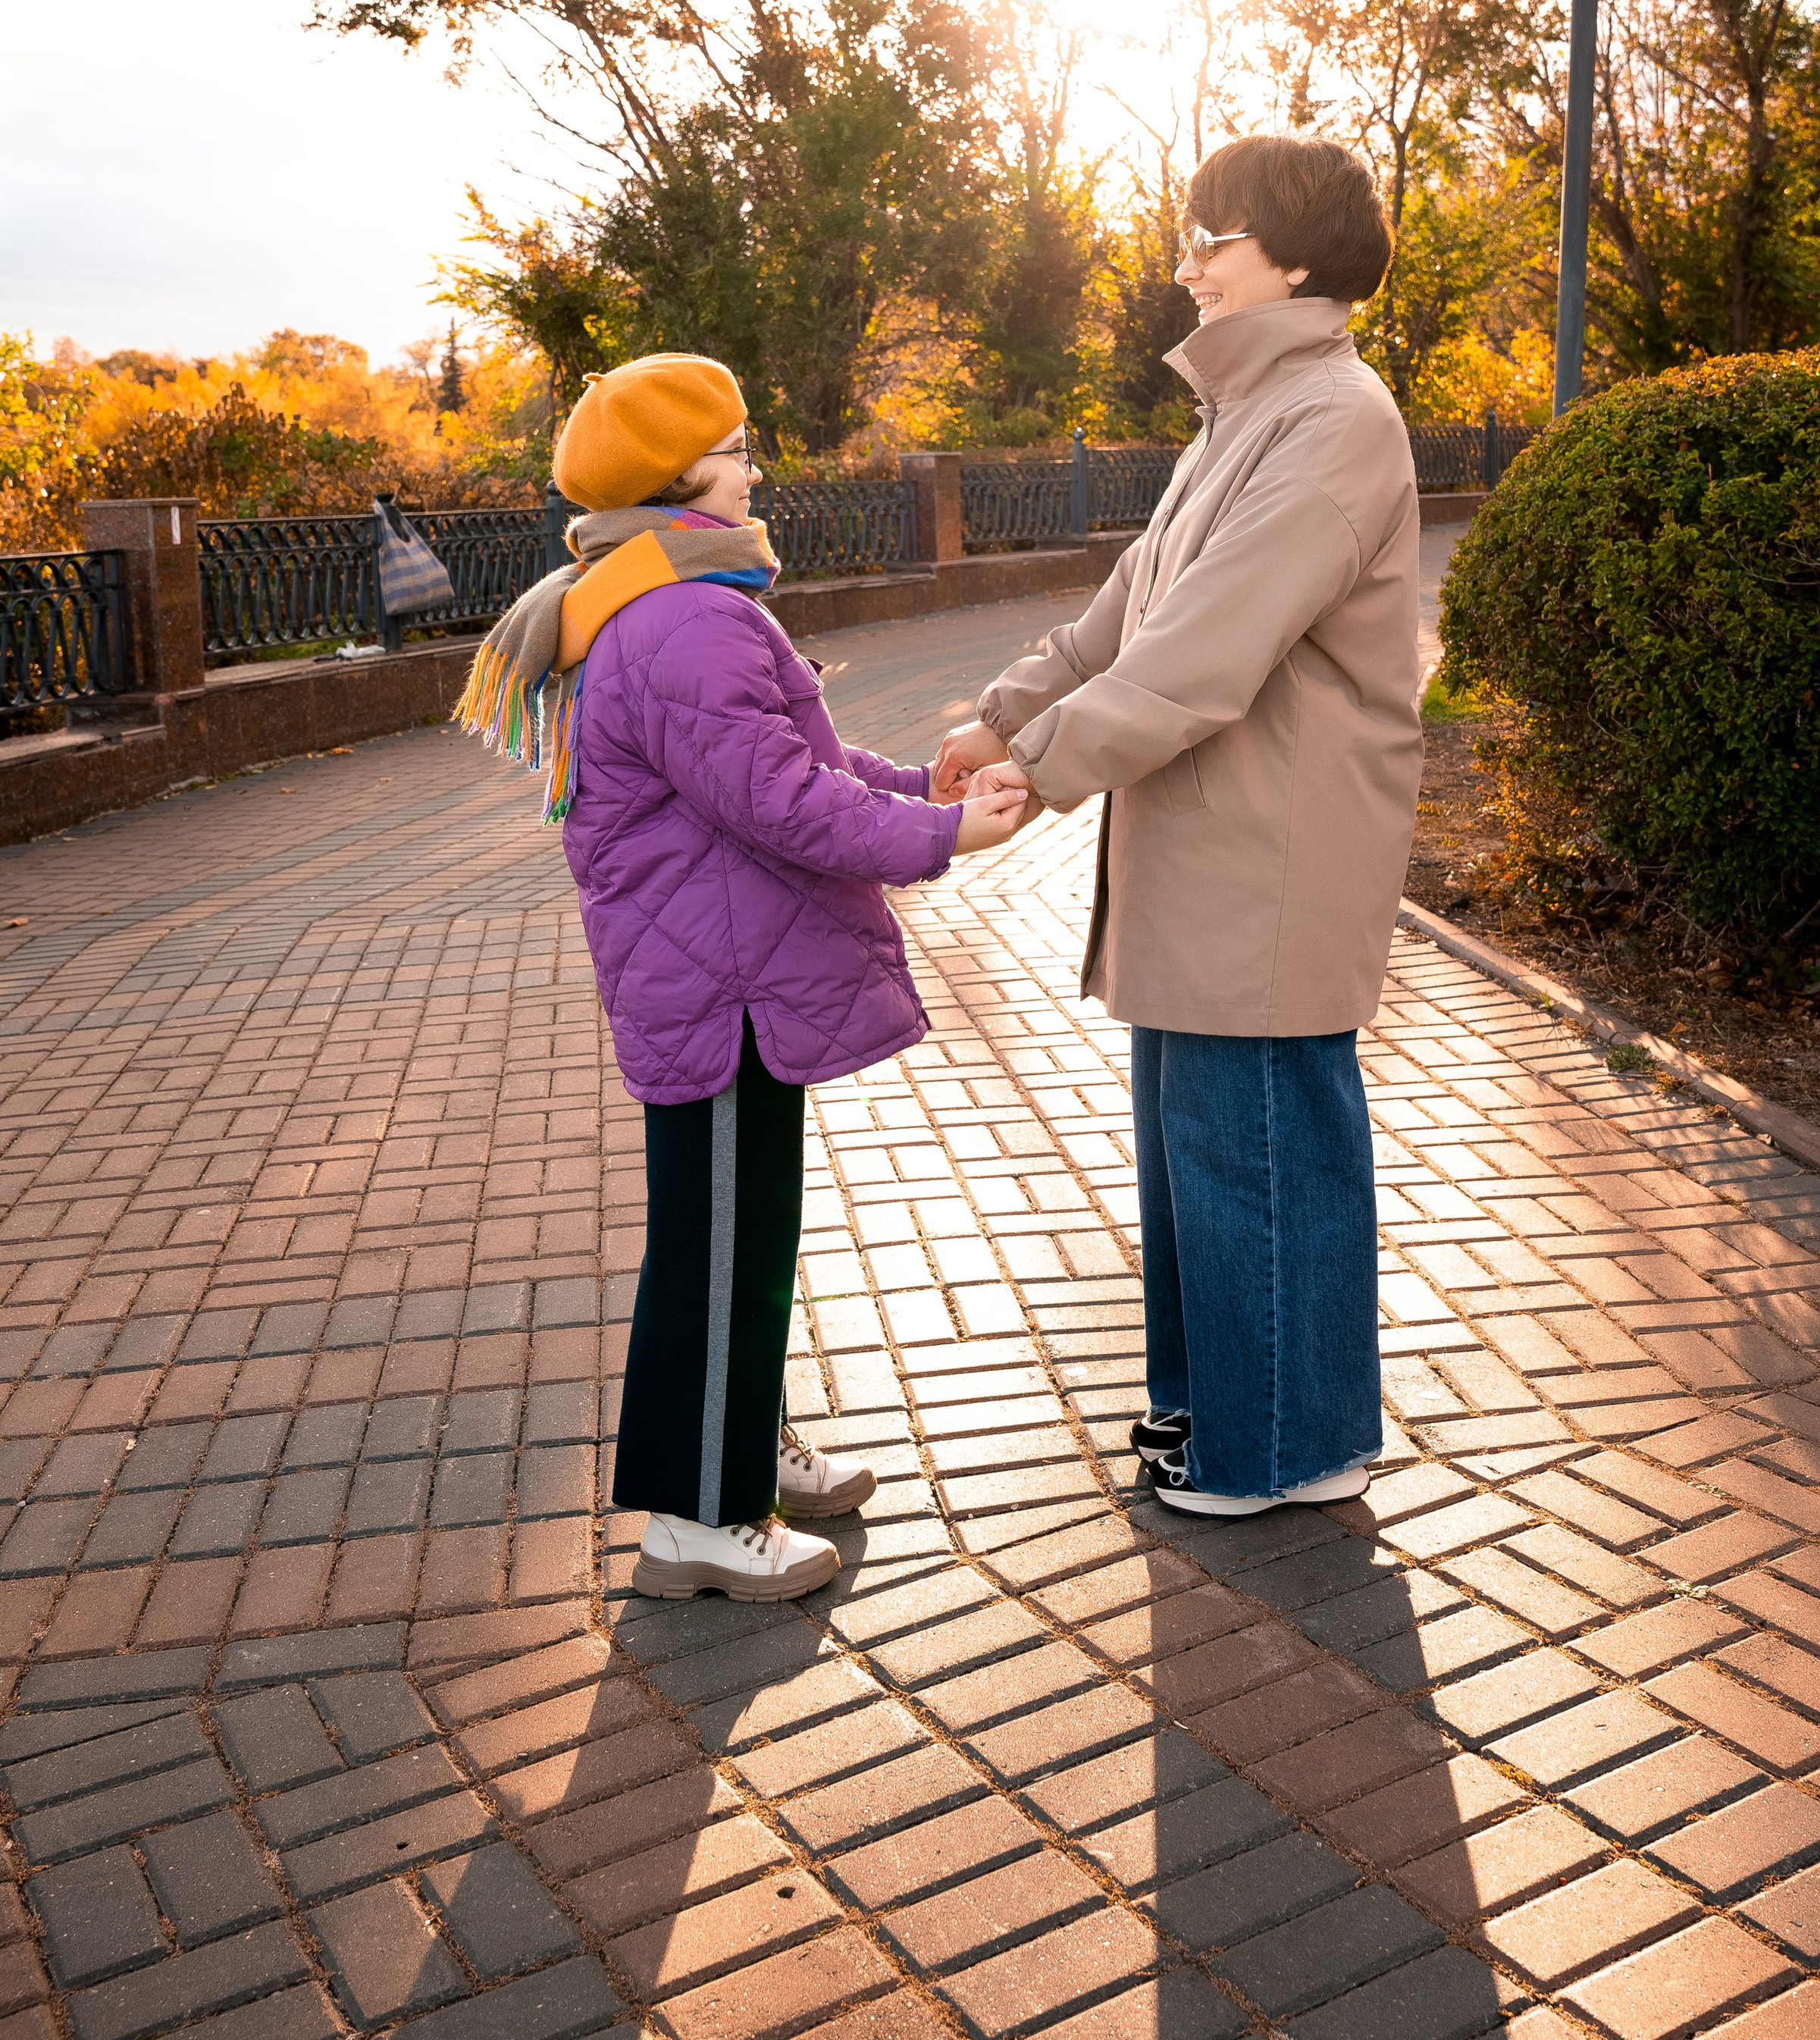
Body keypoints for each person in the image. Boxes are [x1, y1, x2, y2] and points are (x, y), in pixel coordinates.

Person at [459, 352, 1026, 1598]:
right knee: (717, 1246)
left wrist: (916, 788)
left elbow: (786, 758)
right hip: (721, 986)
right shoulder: (684, 615)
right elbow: (779, 800)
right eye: (737, 448)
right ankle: (700, 1516)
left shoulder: (661, 597)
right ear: (678, 475)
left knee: (744, 1233)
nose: (755, 466)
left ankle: (743, 1446)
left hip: (724, 973)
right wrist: (944, 835)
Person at [934, 135, 1421, 1518]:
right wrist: (1002, 714)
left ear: (1299, 258)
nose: (1188, 264)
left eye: (1215, 237)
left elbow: (1204, 651)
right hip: (1216, 843)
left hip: (1269, 852)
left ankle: (1265, 1449)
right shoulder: (1247, 415)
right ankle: (1261, 1425)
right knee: (1215, 1155)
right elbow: (1126, 614)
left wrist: (1038, 767)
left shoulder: (1333, 418)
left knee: (1253, 1152)